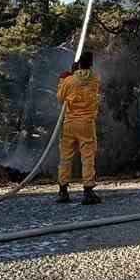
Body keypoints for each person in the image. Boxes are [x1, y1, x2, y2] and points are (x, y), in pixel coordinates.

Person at [55, 51, 102, 205]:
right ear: (91, 64)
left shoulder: (69, 80)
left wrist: (63, 79)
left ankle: (63, 191)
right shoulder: (95, 78)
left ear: (78, 64)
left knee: (65, 158)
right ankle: (88, 192)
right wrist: (76, 73)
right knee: (87, 158)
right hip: (86, 124)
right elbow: (87, 79)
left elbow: (60, 98)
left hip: (69, 124)